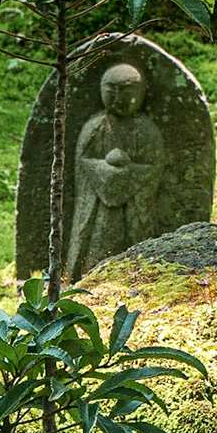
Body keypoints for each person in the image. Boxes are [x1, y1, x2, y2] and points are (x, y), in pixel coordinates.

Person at [66, 62, 166, 281]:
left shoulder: (146, 129)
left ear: (140, 94)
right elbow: (83, 162)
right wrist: (106, 172)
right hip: (100, 204)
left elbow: (155, 165)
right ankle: (90, 281)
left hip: (135, 204)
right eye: (112, 92)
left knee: (138, 244)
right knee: (99, 241)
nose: (119, 99)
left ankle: (141, 279)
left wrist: (128, 174)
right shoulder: (96, 127)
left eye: (127, 92)